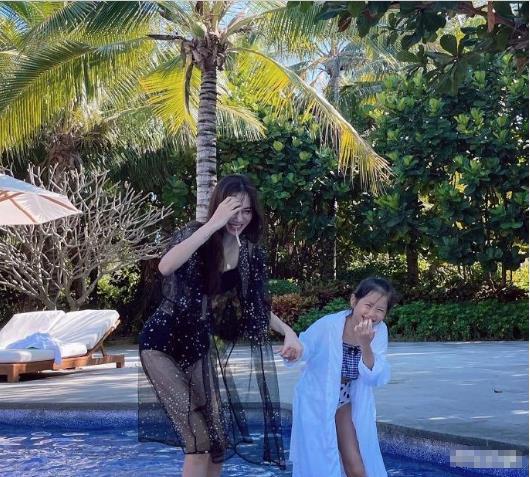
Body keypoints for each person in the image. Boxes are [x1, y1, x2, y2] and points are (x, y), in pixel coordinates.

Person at [138, 174, 302, 477]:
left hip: (196, 347)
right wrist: (213, 224)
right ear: (218, 207)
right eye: (233, 209)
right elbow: (166, 265)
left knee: (217, 442)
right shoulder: (196, 234)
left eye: (246, 211)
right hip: (161, 343)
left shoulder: (250, 255)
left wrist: (289, 332)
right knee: (198, 441)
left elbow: (255, 307)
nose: (239, 218)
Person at [288, 277, 397, 477]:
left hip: (345, 399)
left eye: (380, 310)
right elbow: (306, 347)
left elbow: (375, 376)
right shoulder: (329, 325)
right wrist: (294, 351)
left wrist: (365, 344)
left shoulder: (379, 331)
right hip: (316, 399)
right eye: (368, 305)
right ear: (354, 301)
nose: (372, 314)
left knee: (356, 465)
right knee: (318, 462)